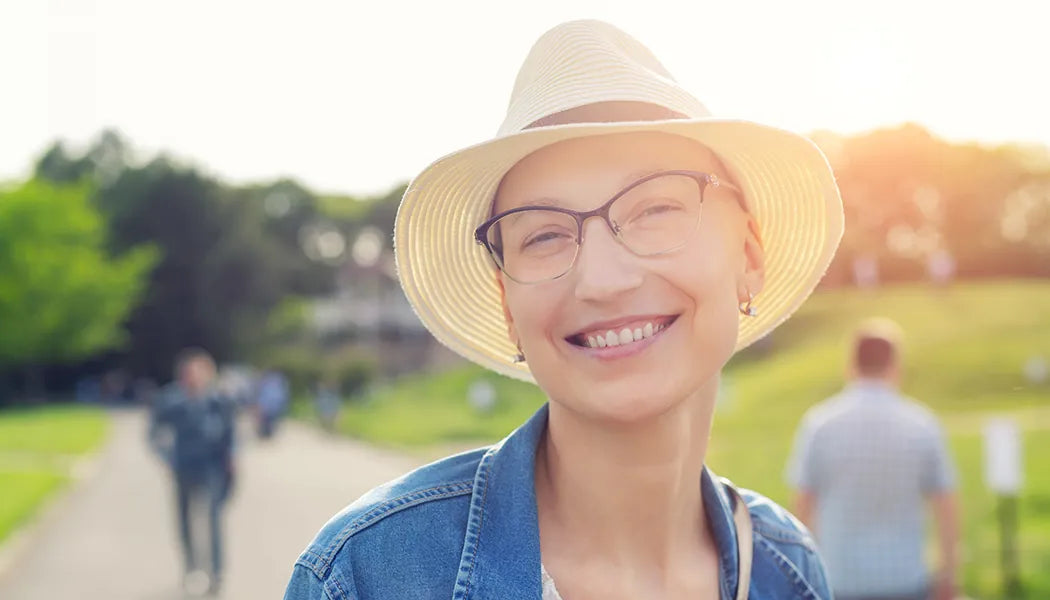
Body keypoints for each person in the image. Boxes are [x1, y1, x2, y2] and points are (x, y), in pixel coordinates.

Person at [285, 20, 844, 599]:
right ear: (506, 306)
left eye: (655, 209)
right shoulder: (367, 577)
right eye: (544, 236)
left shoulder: (789, 570)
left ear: (749, 257)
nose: (602, 281)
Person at [786, 319, 959, 600]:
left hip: (838, 579)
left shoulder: (819, 425)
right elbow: (946, 508)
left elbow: (802, 509)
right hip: (906, 579)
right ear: (895, 365)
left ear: (850, 365)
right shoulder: (923, 425)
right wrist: (949, 575)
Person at [150, 348, 237, 596]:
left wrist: (231, 460)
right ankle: (191, 569)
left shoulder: (219, 402)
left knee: (213, 522)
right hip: (183, 468)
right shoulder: (171, 401)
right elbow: (154, 433)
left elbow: (231, 435)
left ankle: (216, 573)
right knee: (185, 522)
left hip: (212, 470)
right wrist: (166, 458)